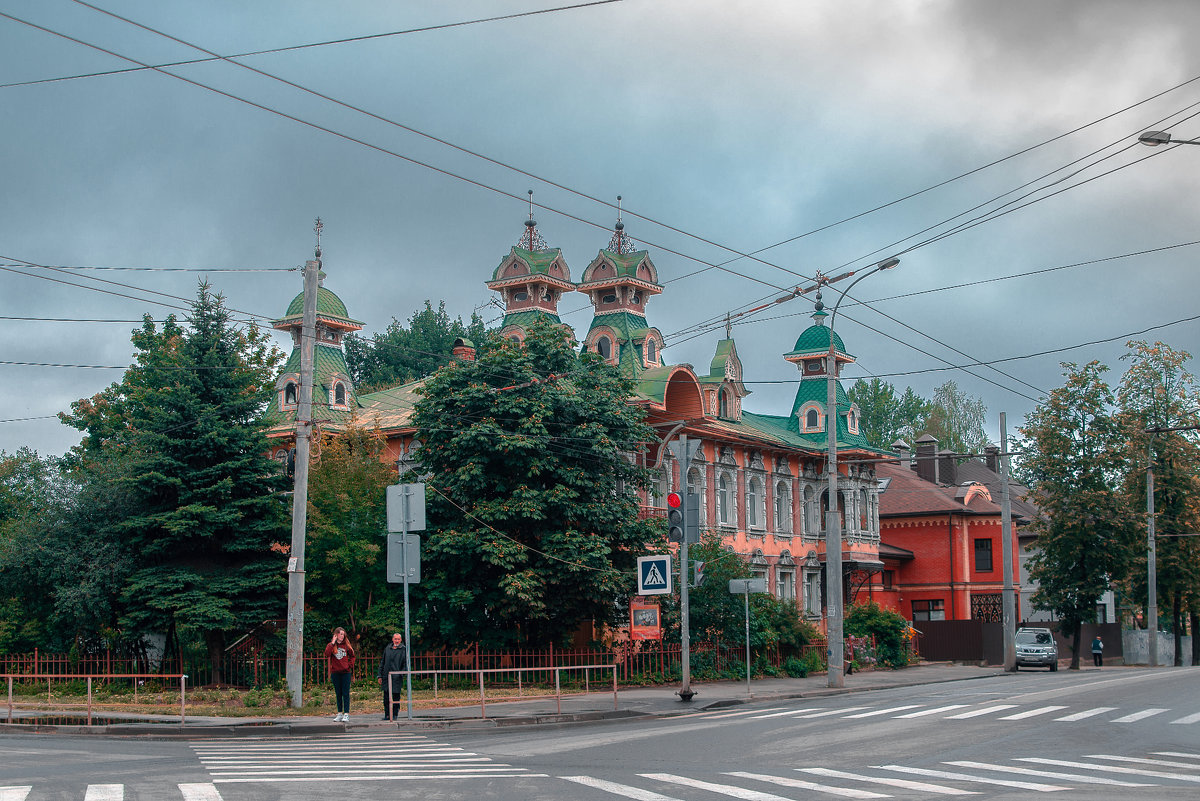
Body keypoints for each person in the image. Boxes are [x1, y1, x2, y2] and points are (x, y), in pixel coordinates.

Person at [324, 626, 355, 723]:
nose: (342, 636)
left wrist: (349, 666)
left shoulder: (347, 646)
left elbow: (353, 656)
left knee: (345, 693)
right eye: (340, 634)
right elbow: (327, 654)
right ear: (336, 634)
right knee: (338, 694)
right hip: (335, 673)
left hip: (345, 673)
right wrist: (333, 642)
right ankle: (339, 713)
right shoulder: (332, 646)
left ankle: (346, 714)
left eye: (343, 634)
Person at [378, 632, 407, 720]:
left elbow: (405, 664)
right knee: (386, 698)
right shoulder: (388, 648)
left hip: (396, 678)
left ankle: (394, 715)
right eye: (395, 639)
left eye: (398, 639)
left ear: (401, 640)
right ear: (392, 639)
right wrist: (380, 675)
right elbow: (383, 662)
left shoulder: (403, 649)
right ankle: (387, 715)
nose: (397, 641)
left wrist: (400, 674)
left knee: (395, 697)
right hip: (386, 677)